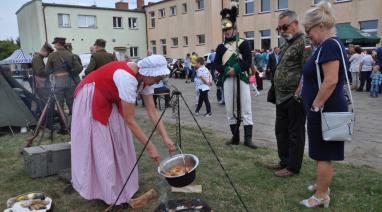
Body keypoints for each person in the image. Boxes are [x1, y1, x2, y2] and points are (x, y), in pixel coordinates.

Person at [71, 55, 176, 208]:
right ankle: (107, 193)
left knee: (119, 141)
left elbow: (152, 112)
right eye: (158, 77)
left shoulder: (144, 78)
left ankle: (123, 187)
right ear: (147, 73)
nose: (159, 81)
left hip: (110, 96)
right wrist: (150, 147)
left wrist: (166, 137)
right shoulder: (126, 78)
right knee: (103, 147)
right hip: (92, 94)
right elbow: (130, 120)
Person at [300, 2, 350, 208]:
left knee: (323, 154)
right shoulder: (327, 45)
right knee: (321, 152)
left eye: (308, 30)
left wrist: (315, 106)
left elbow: (330, 80)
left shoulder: (329, 45)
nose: (307, 34)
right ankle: (322, 186)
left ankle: (321, 196)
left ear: (319, 26)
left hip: (324, 110)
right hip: (323, 108)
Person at [215, 3, 257, 149]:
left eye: (229, 29)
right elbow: (216, 65)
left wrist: (237, 69)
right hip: (228, 79)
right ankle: (235, 138)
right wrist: (227, 71)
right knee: (229, 109)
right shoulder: (221, 47)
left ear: (234, 28)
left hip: (242, 78)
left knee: (246, 108)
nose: (227, 32)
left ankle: (248, 139)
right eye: (224, 29)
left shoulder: (243, 43)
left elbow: (247, 62)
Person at [271, 10, 307, 177]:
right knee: (281, 131)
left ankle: (293, 167)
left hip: (294, 97)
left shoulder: (304, 42)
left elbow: (308, 71)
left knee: (295, 133)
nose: (282, 31)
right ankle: (284, 162)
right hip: (281, 96)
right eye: (279, 28)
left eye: (284, 27)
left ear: (295, 24)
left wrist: (298, 94)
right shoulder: (286, 44)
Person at [45, 37, 82, 116]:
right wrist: (71, 73)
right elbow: (79, 68)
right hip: (70, 82)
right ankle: (73, 123)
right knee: (71, 104)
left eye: (55, 43)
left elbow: (47, 70)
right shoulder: (70, 54)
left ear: (58, 44)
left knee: (59, 104)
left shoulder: (52, 55)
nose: (54, 45)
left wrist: (53, 72)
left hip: (58, 83)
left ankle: (63, 125)